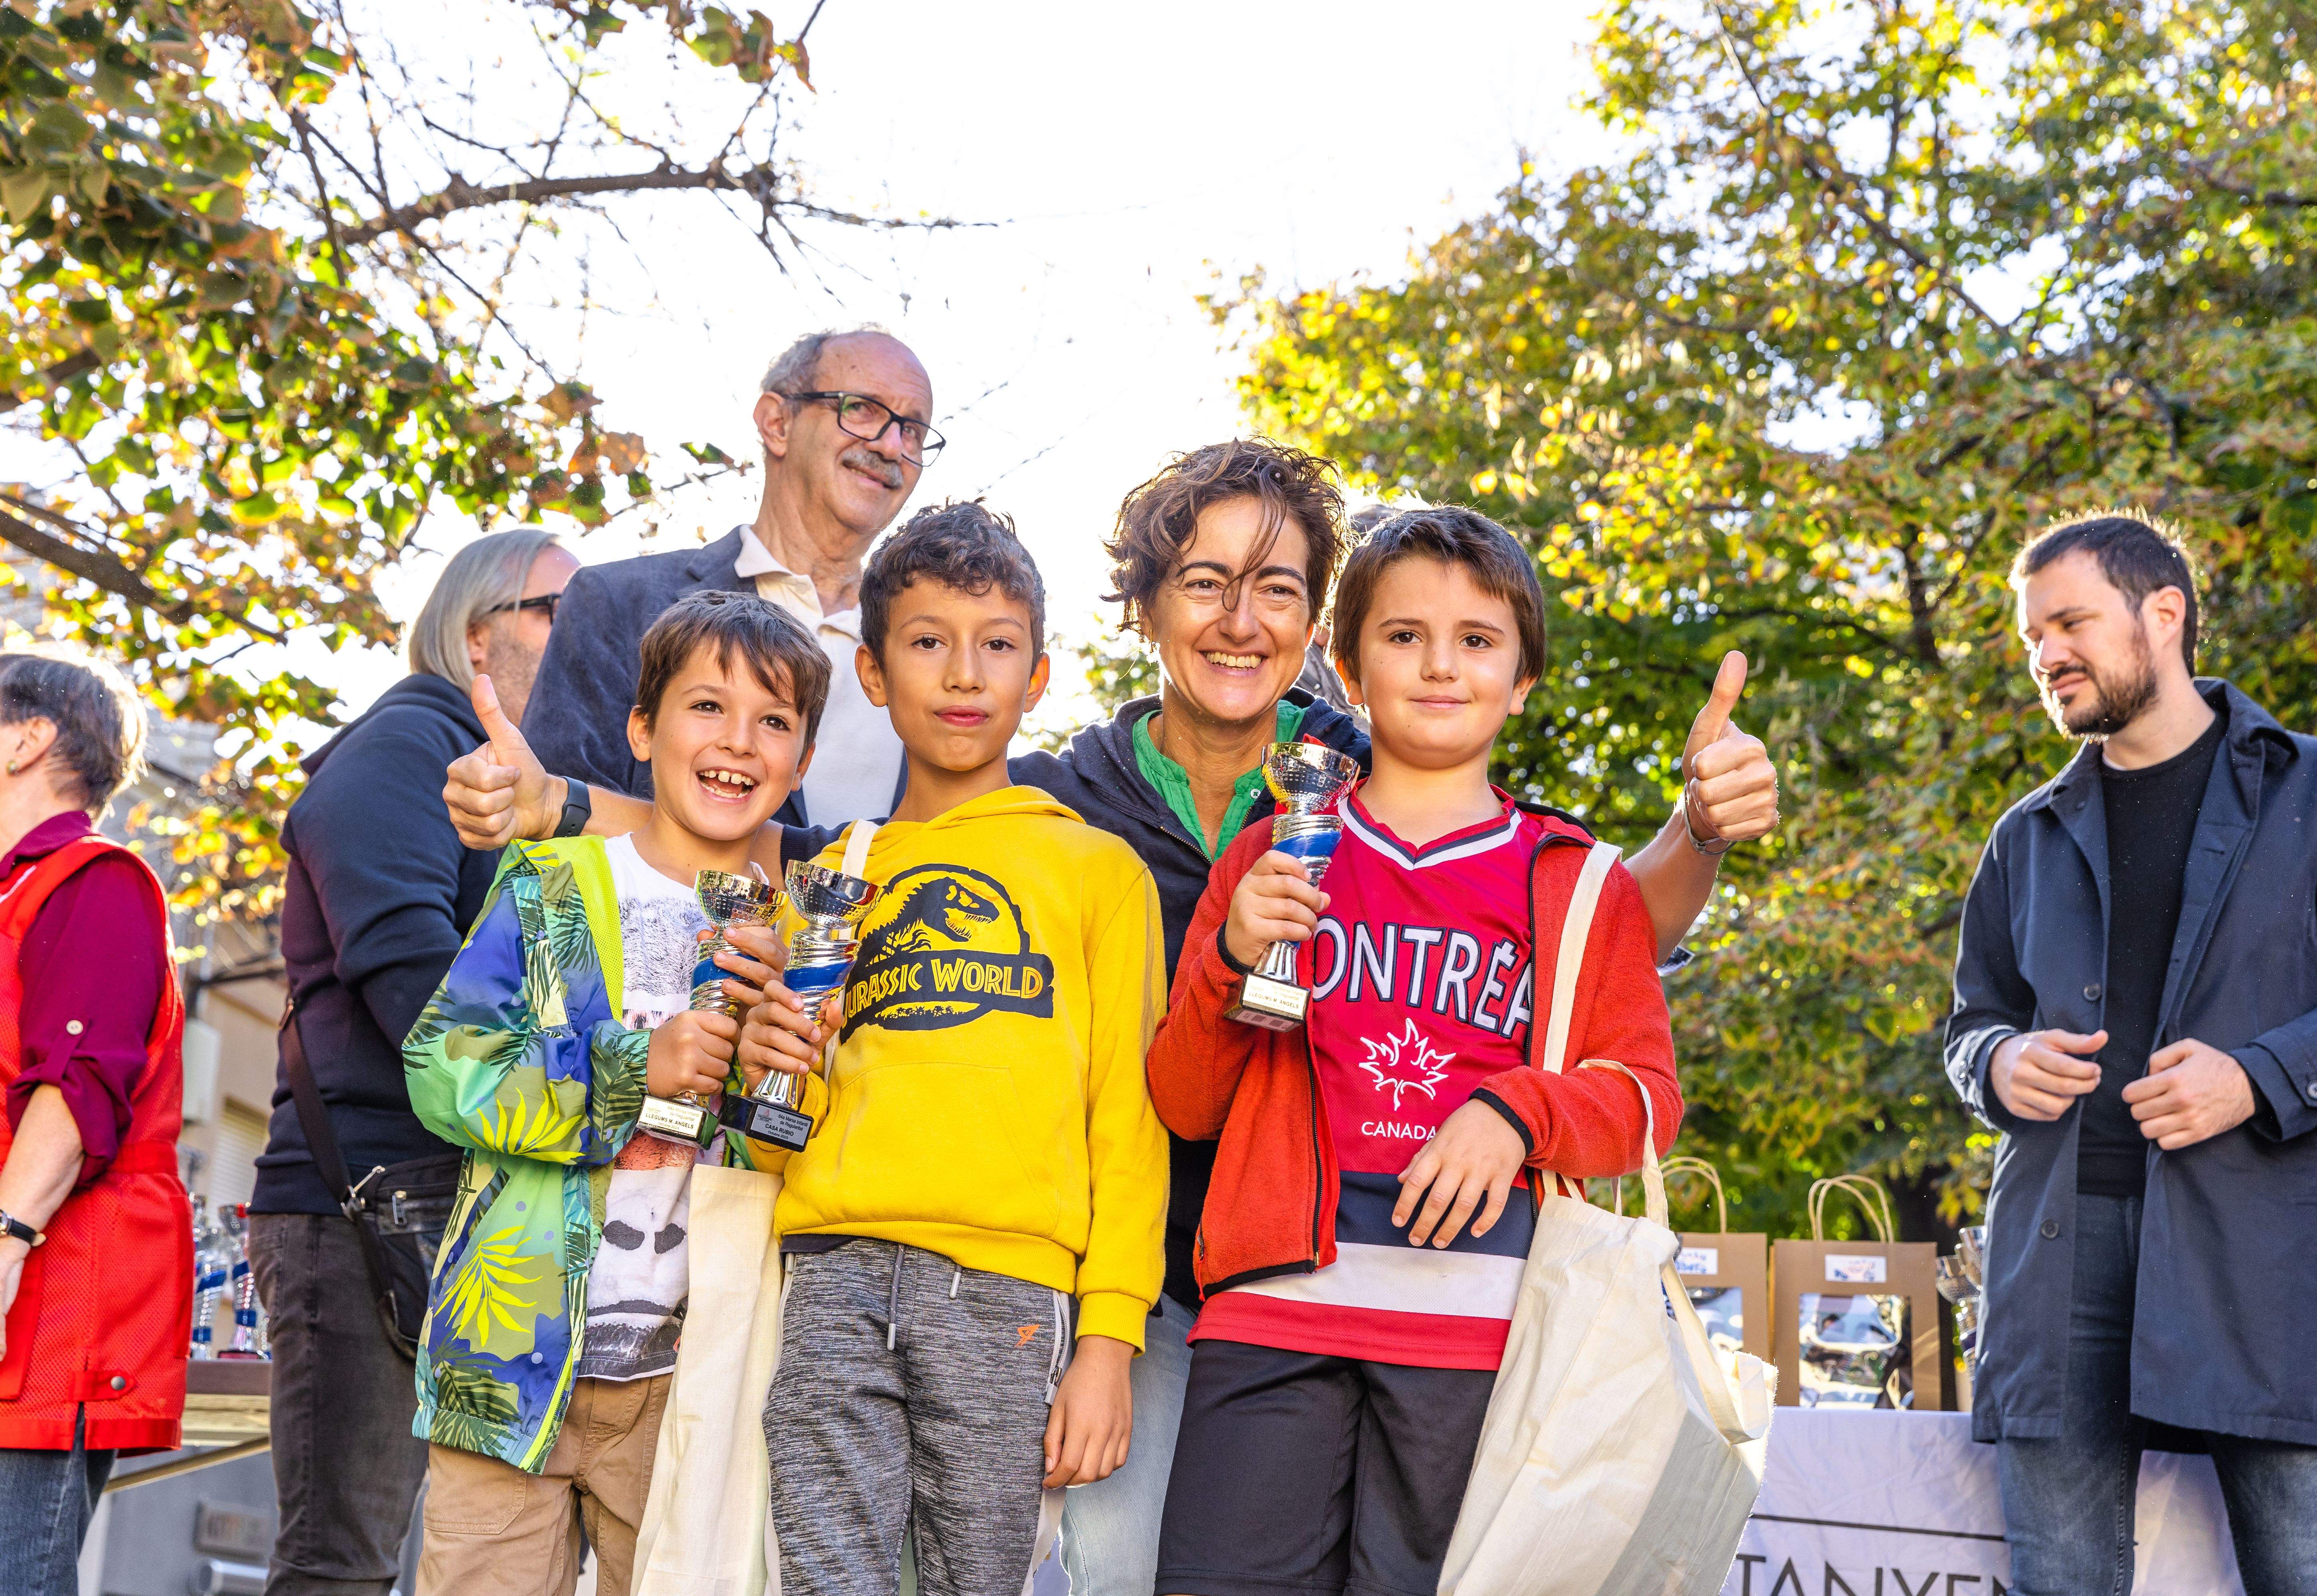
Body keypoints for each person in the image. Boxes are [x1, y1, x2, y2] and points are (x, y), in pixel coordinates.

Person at [440, 438, 1783, 1596]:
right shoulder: (1052, 801)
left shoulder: (1380, 793)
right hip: (1113, 1293)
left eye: (1275, 591)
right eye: (1203, 582)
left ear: (1320, 628)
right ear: (1146, 612)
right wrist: (564, 805)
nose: (1239, 619)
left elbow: (1593, 954)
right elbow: (798, 854)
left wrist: (1699, 830)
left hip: (1314, 1301)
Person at [1140, 505, 1679, 1596]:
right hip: (1269, 1320)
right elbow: (1186, 1103)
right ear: (1346, 667)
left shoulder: (1579, 883)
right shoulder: (1272, 851)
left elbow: (1642, 1101)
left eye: (1478, 641)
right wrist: (1232, 959)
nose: (1442, 666)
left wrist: (1515, 1110)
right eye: (1404, 636)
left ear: (1523, 677)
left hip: (1474, 1339)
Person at [1944, 512, 2317, 1596]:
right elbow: (1969, 1029)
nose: (2046, 652)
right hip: (2055, 1264)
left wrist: (2256, 1078)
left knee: (2315, 1577)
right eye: (2030, 635)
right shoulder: (2026, 835)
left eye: (2070, 622)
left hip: (2261, 1255)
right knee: (2062, 1582)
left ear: (2165, 614)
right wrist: (2000, 1064)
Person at [732, 503, 1168, 1596]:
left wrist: (1111, 1339)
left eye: (997, 644)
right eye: (928, 642)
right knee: (830, 1580)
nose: (964, 673)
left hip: (1008, 1295)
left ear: (1041, 674)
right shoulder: (828, 883)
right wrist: (764, 1067)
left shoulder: (1094, 870)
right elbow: (773, 1137)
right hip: (833, 1272)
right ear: (875, 675)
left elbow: (1130, 1117)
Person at [403, 591, 826, 1596]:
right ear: (642, 728)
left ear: (802, 762)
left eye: (773, 721)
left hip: (692, 1390)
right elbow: (443, 1068)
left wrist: (776, 1071)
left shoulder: (805, 936)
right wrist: (632, 1072)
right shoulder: (554, 882)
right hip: (503, 1371)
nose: (738, 742)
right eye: (706, 708)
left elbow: (792, 1150)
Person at [254, 527, 578, 1596]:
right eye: (557, 610)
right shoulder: (404, 750)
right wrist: (601, 1096)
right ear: (479, 635)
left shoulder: (514, 779)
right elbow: (417, 985)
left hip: (457, 1202)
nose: (588, 636)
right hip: (367, 1207)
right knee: (342, 1565)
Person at [511, 327, 936, 834]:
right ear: (777, 422)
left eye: (913, 430)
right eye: (863, 409)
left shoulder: (936, 650)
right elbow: (547, 839)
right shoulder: (617, 604)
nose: (892, 446)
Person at [0, 648, 186, 1596]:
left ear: (27, 739)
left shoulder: (92, 883)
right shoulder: (18, 893)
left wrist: (3, 1239)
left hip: (46, 1313)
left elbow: (73, 1095)